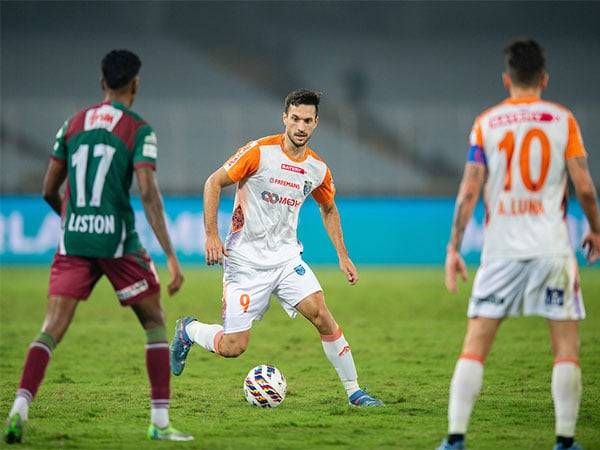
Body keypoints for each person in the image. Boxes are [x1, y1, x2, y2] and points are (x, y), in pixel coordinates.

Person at [3, 50, 193, 443]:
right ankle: (159, 423)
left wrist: (73, 220)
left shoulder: (71, 124)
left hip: (73, 239)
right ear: (135, 85)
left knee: (51, 328)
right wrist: (171, 256)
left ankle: (19, 408)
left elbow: (47, 190)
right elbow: (147, 192)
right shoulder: (139, 130)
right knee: (155, 322)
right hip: (118, 242)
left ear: (102, 82)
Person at [170, 89, 383, 407]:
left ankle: (354, 392)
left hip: (285, 259)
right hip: (244, 262)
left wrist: (343, 255)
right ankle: (189, 329)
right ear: (285, 117)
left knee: (322, 315)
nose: (300, 126)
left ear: (315, 123)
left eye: (307, 120)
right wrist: (211, 235)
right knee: (233, 346)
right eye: (295, 118)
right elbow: (213, 182)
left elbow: (328, 208)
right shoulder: (258, 152)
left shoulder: (317, 169)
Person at [437, 39, 600, 450]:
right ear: (544, 79)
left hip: (501, 249)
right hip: (553, 248)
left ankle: (455, 439)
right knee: (566, 347)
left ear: (507, 79)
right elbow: (584, 188)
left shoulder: (487, 123)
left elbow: (469, 190)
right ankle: (565, 441)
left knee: (475, 344)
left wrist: (454, 247)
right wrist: (596, 229)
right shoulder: (563, 121)